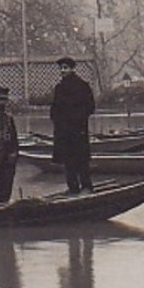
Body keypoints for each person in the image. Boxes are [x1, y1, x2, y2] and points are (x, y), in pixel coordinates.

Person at [49, 56, 97, 193]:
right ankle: (73, 187)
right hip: (64, 131)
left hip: (78, 130)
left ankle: (86, 186)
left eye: (66, 68)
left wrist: (77, 118)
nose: (63, 71)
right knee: (68, 161)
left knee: (81, 160)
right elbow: (55, 108)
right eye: (61, 68)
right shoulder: (59, 88)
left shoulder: (82, 86)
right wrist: (57, 120)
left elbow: (90, 107)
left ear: (72, 69)